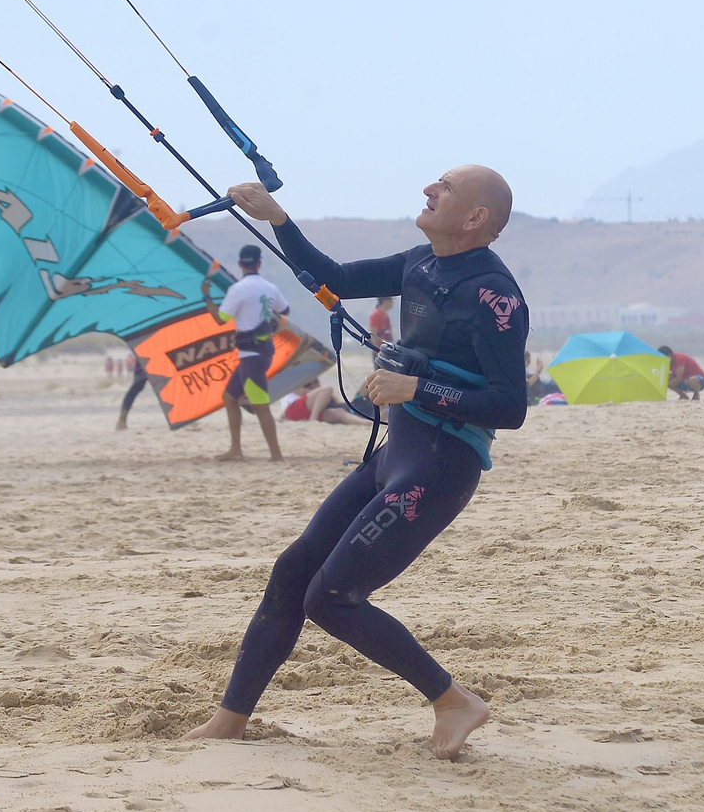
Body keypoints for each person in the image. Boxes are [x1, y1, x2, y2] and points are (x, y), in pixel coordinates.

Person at [183, 165, 525, 760]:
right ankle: (230, 719)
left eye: (444, 188)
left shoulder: (494, 296)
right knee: (293, 574)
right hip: (395, 457)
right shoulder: (422, 262)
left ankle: (452, 700)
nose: (428, 189)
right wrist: (277, 219)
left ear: (475, 219)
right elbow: (335, 280)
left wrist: (416, 392)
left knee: (331, 597)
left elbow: (508, 406)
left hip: (438, 469)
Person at [201, 246, 290, 463]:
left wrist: (207, 297)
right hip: (259, 353)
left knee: (260, 405)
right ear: (259, 264)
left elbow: (221, 318)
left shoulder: (238, 290)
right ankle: (235, 450)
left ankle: (276, 455)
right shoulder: (270, 288)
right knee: (229, 398)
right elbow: (285, 311)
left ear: (240, 264)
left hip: (252, 355)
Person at [280, 379, 376, 426]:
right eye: (314, 383)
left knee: (339, 413)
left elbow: (336, 402)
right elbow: (298, 390)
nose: (317, 384)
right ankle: (313, 419)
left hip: (299, 413)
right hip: (295, 410)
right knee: (327, 389)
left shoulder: (317, 398)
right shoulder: (300, 389)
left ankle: (368, 424)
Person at [114, 357, 148, 430]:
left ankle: (122, 420)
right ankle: (122, 420)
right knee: (137, 386)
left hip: (156, 354)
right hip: (147, 355)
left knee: (137, 387)